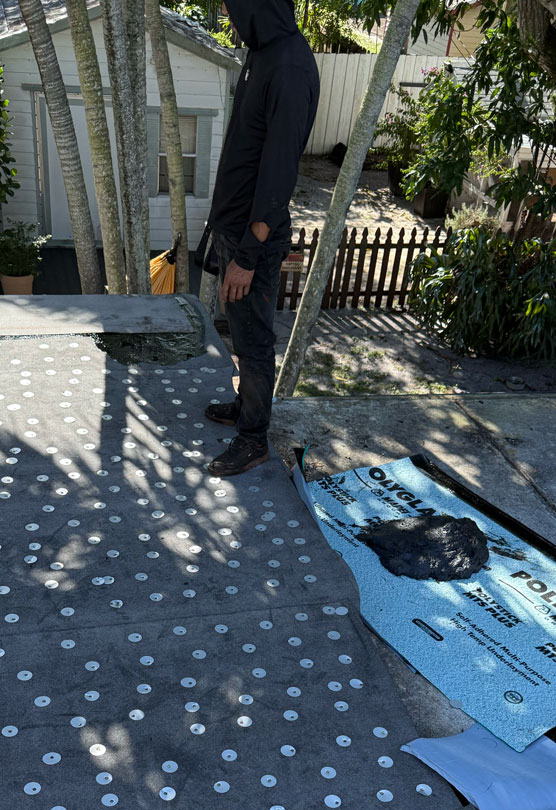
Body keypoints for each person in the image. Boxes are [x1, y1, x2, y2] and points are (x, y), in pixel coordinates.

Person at [204, 0, 319, 477]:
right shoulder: (262, 53)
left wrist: (247, 257)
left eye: (234, 9)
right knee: (241, 332)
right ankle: (243, 404)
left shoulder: (290, 67)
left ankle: (253, 439)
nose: (230, 19)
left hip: (256, 241)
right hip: (234, 231)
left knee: (252, 341)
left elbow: (276, 177)